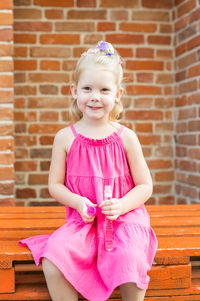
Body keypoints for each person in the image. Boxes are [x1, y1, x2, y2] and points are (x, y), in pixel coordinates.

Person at [19, 41, 158, 301]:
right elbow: (55, 185)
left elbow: (145, 186)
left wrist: (122, 205)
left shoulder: (127, 137)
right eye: (87, 88)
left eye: (104, 89)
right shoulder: (65, 138)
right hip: (83, 220)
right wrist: (78, 201)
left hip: (123, 219)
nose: (95, 96)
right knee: (53, 258)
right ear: (74, 91)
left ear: (117, 94)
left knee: (129, 258)